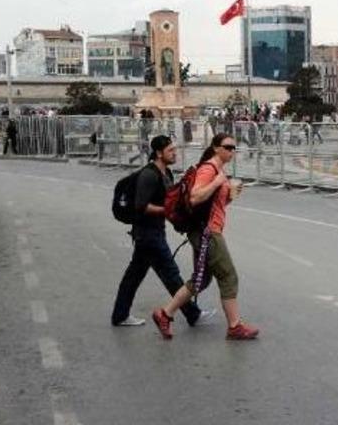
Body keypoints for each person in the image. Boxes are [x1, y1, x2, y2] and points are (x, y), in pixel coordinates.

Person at [151, 133, 259, 340]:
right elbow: (195, 196)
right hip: (207, 232)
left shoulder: (218, 169)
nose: (232, 151)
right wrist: (218, 182)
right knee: (228, 275)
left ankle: (165, 314)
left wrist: (229, 195)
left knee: (201, 280)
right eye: (228, 147)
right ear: (216, 148)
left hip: (205, 229)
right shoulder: (209, 169)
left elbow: (212, 204)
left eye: (234, 148)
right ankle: (235, 326)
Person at [111, 136, 215, 327]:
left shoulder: (166, 173)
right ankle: (192, 313)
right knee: (171, 274)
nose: (175, 153)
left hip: (152, 232)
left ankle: (120, 315)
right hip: (148, 234)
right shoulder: (149, 175)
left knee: (133, 276)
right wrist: (169, 211)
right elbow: (141, 206)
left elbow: (169, 201)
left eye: (175, 149)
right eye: (170, 150)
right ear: (159, 153)